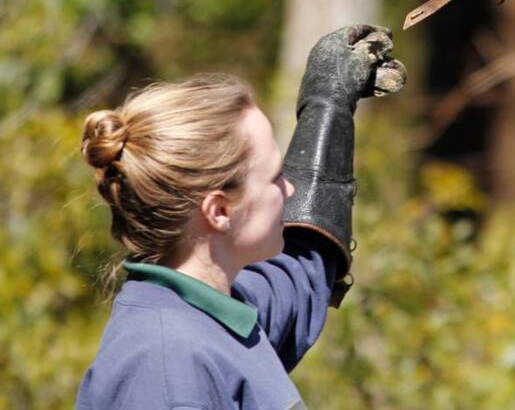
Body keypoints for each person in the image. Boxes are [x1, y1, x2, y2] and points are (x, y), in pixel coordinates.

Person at [75, 25, 405, 410]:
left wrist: (327, 105)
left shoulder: (216, 310)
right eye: (275, 178)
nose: (291, 190)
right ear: (218, 211)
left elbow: (299, 274)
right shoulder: (165, 370)